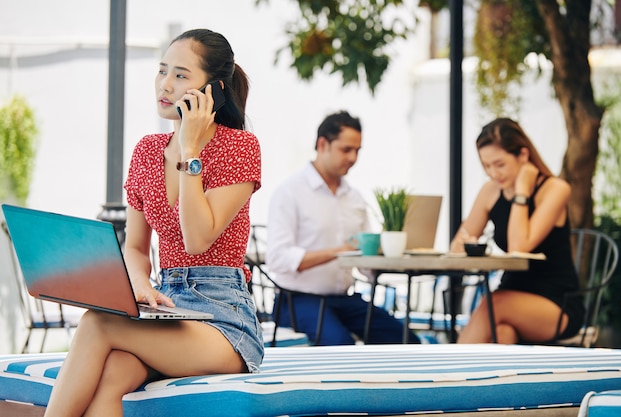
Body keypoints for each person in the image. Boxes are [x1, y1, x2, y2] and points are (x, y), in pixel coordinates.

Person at [43, 29, 263, 417]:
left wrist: (190, 150)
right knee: (113, 375)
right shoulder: (146, 150)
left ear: (214, 89)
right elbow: (134, 247)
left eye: (180, 75)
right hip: (168, 306)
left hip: (224, 320)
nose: (165, 85)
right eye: (162, 71)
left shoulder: (240, 147)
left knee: (97, 325)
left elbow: (197, 238)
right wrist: (140, 286)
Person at [265, 110, 419, 345]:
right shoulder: (290, 192)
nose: (353, 158)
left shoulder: (354, 198)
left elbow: (364, 264)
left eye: (357, 151)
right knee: (341, 345)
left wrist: (385, 252)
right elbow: (277, 258)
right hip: (296, 301)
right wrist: (340, 251)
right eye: (346, 149)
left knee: (406, 340)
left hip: (343, 300)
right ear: (322, 144)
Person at [451, 117, 584, 344]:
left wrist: (522, 191)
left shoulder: (555, 190)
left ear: (523, 155)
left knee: (492, 305)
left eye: (499, 164)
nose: (493, 173)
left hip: (555, 302)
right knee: (502, 333)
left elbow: (519, 247)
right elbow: (456, 247)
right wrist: (467, 242)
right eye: (486, 166)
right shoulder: (490, 191)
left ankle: (450, 373)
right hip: (510, 295)